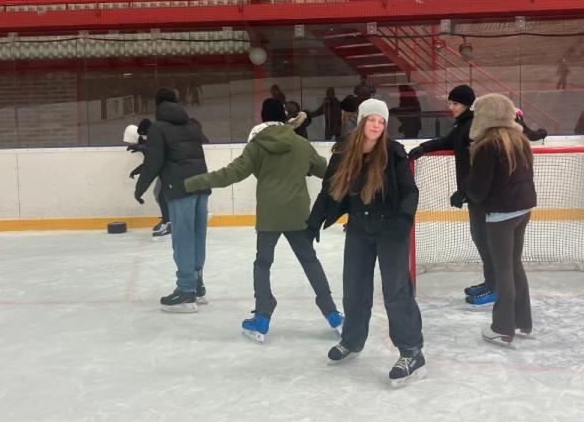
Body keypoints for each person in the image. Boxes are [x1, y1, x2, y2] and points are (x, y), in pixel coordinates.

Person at [184, 98, 342, 342]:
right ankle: (332, 314)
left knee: (263, 264)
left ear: (262, 117)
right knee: (309, 260)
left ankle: (262, 317)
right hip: (298, 214)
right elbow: (330, 173)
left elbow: (230, 174)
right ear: (284, 117)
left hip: (269, 216)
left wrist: (191, 183)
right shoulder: (301, 145)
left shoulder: (257, 146)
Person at [307, 98, 425, 387]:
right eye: (371, 119)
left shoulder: (393, 152)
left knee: (396, 291)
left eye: (381, 121)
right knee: (354, 288)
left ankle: (412, 352)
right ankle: (352, 340)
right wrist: (313, 222)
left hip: (390, 228)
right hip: (359, 227)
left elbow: (410, 191)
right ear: (361, 122)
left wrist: (403, 220)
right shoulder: (344, 153)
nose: (376, 125)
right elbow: (328, 190)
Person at [408, 85, 497, 305]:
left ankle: (496, 287)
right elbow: (448, 141)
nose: (451, 107)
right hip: (475, 193)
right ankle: (491, 281)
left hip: (484, 194)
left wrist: (462, 191)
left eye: (455, 103)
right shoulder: (463, 124)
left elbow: (480, 166)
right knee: (480, 237)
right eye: (450, 103)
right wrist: (424, 148)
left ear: (467, 104)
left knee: (486, 240)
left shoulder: (475, 126)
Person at [464, 93, 537, 346]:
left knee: (503, 269)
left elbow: (478, 191)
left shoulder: (487, 145)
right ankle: (523, 320)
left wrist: (466, 189)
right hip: (523, 210)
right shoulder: (520, 139)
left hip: (501, 216)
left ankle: (503, 326)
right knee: (514, 265)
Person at [134, 87, 210, 312]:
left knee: (183, 238)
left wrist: (140, 188)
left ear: (157, 105)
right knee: (197, 236)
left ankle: (186, 291)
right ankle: (196, 284)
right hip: (202, 185)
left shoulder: (158, 128)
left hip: (180, 188)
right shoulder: (191, 124)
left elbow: (154, 162)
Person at [125, 118, 172, 237]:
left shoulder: (155, 139)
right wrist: (137, 170)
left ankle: (168, 223)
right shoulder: (148, 141)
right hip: (165, 171)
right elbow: (150, 162)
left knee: (162, 196)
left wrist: (140, 147)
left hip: (170, 170)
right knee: (158, 193)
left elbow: (156, 152)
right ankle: (166, 219)